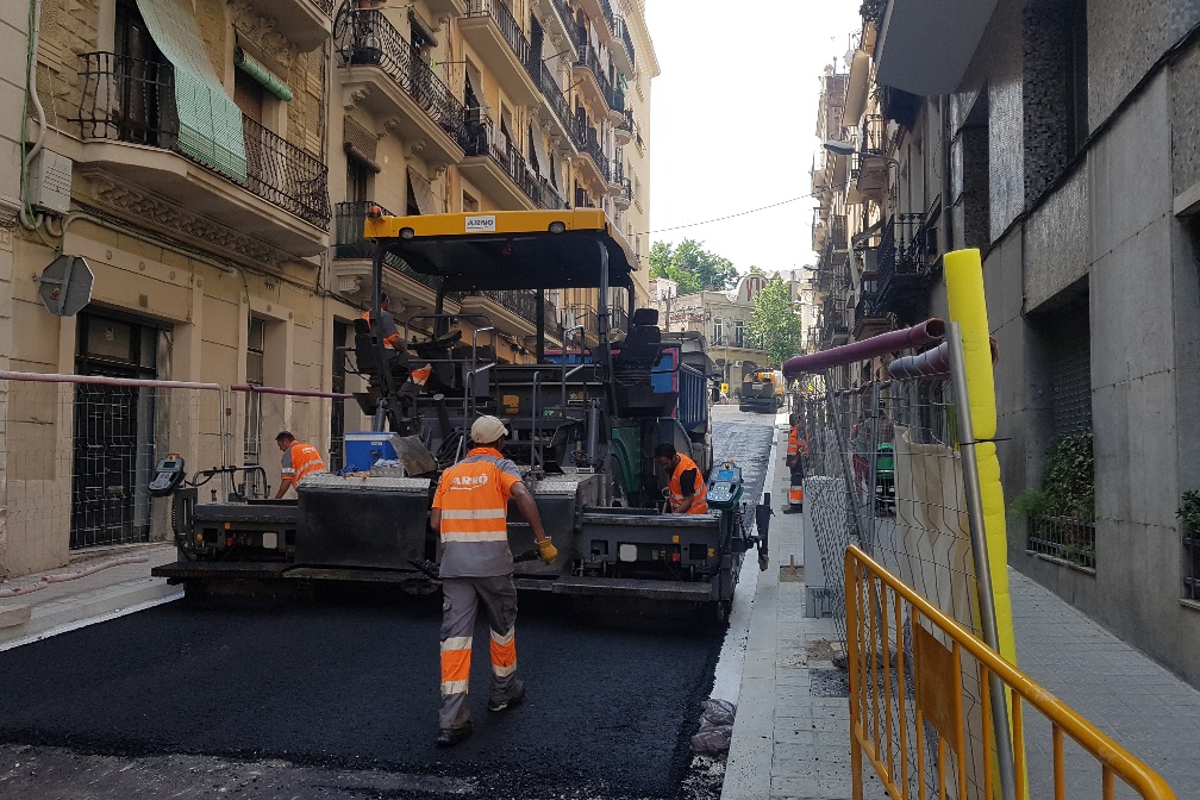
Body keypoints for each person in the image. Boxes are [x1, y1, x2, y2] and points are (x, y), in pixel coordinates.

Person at [430, 415, 558, 748]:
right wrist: (542, 541)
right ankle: (502, 693)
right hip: (492, 567)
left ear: (473, 442)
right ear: (500, 442)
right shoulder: (502, 468)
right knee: (502, 629)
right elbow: (523, 496)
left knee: (454, 640)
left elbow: (435, 523)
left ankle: (452, 721)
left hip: (455, 567)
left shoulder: (449, 474)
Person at [654, 442, 709, 515]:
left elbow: (688, 501)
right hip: (685, 513)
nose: (664, 467)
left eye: (665, 464)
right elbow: (679, 484)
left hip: (694, 513)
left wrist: (672, 517)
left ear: (673, 458)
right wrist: (671, 490)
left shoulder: (686, 473)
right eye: (662, 464)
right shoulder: (675, 460)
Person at [274, 431, 326, 498]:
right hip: (323, 485)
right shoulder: (309, 447)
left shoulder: (289, 452)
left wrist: (277, 499)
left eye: (280, 445)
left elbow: (287, 479)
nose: (280, 449)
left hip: (307, 488)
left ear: (285, 442)